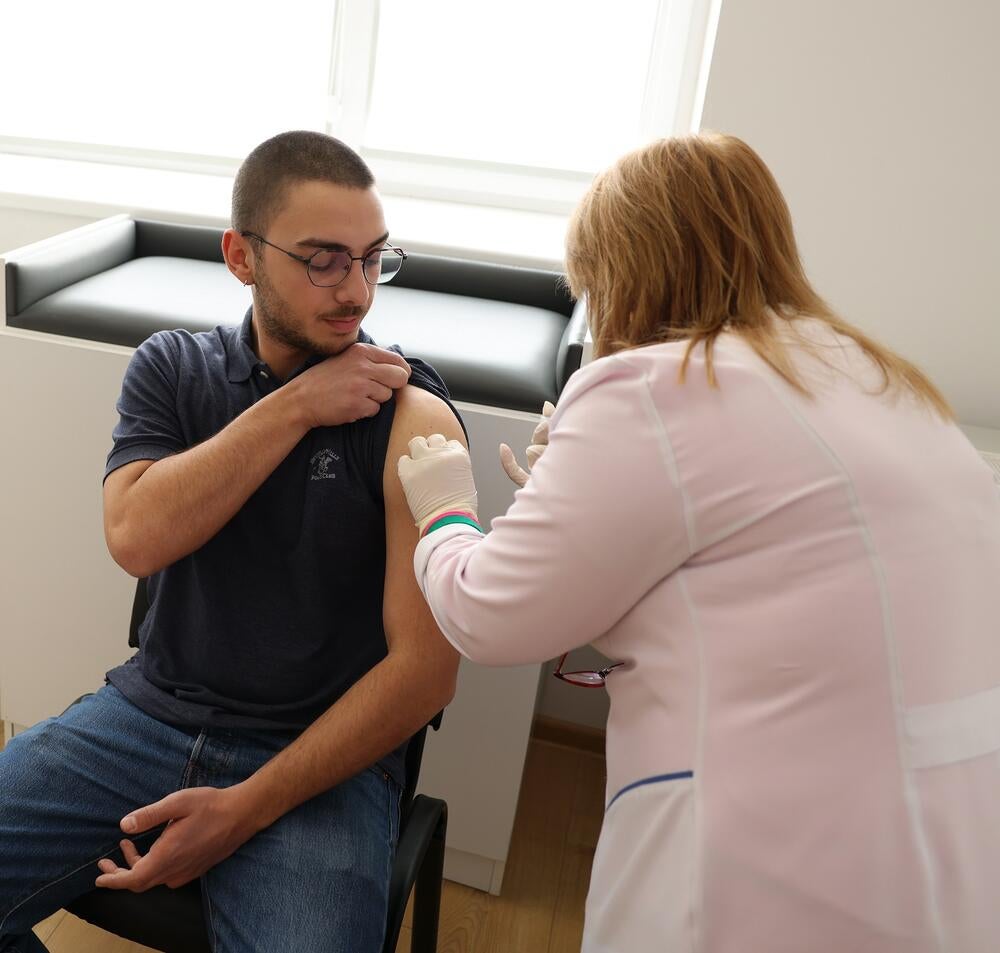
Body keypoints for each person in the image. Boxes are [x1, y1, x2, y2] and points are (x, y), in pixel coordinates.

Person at [396, 133, 1000, 952]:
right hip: (954, 844)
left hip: (770, 862)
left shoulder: (653, 386)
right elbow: (763, 562)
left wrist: (446, 513)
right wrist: (579, 506)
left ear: (624, 272)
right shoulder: (875, 375)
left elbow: (491, 613)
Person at [0, 130, 465, 953]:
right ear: (241, 257)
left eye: (371, 259)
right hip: (145, 716)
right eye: (323, 259)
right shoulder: (171, 369)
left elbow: (426, 672)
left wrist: (243, 807)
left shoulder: (412, 415)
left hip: (320, 763)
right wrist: (296, 405)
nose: (354, 290)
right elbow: (137, 537)